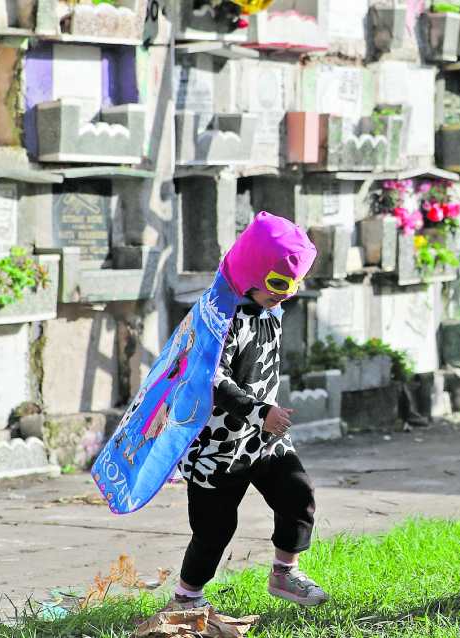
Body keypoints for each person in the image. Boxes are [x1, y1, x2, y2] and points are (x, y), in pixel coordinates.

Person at [165, 211, 330, 610]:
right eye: (277, 283)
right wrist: (259, 412)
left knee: (297, 493)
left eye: (294, 285)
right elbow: (212, 379)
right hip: (217, 448)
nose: (285, 293)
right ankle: (186, 598)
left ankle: (284, 573)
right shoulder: (220, 317)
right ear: (250, 271)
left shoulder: (270, 309)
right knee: (214, 529)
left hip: (263, 440)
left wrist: (264, 421)